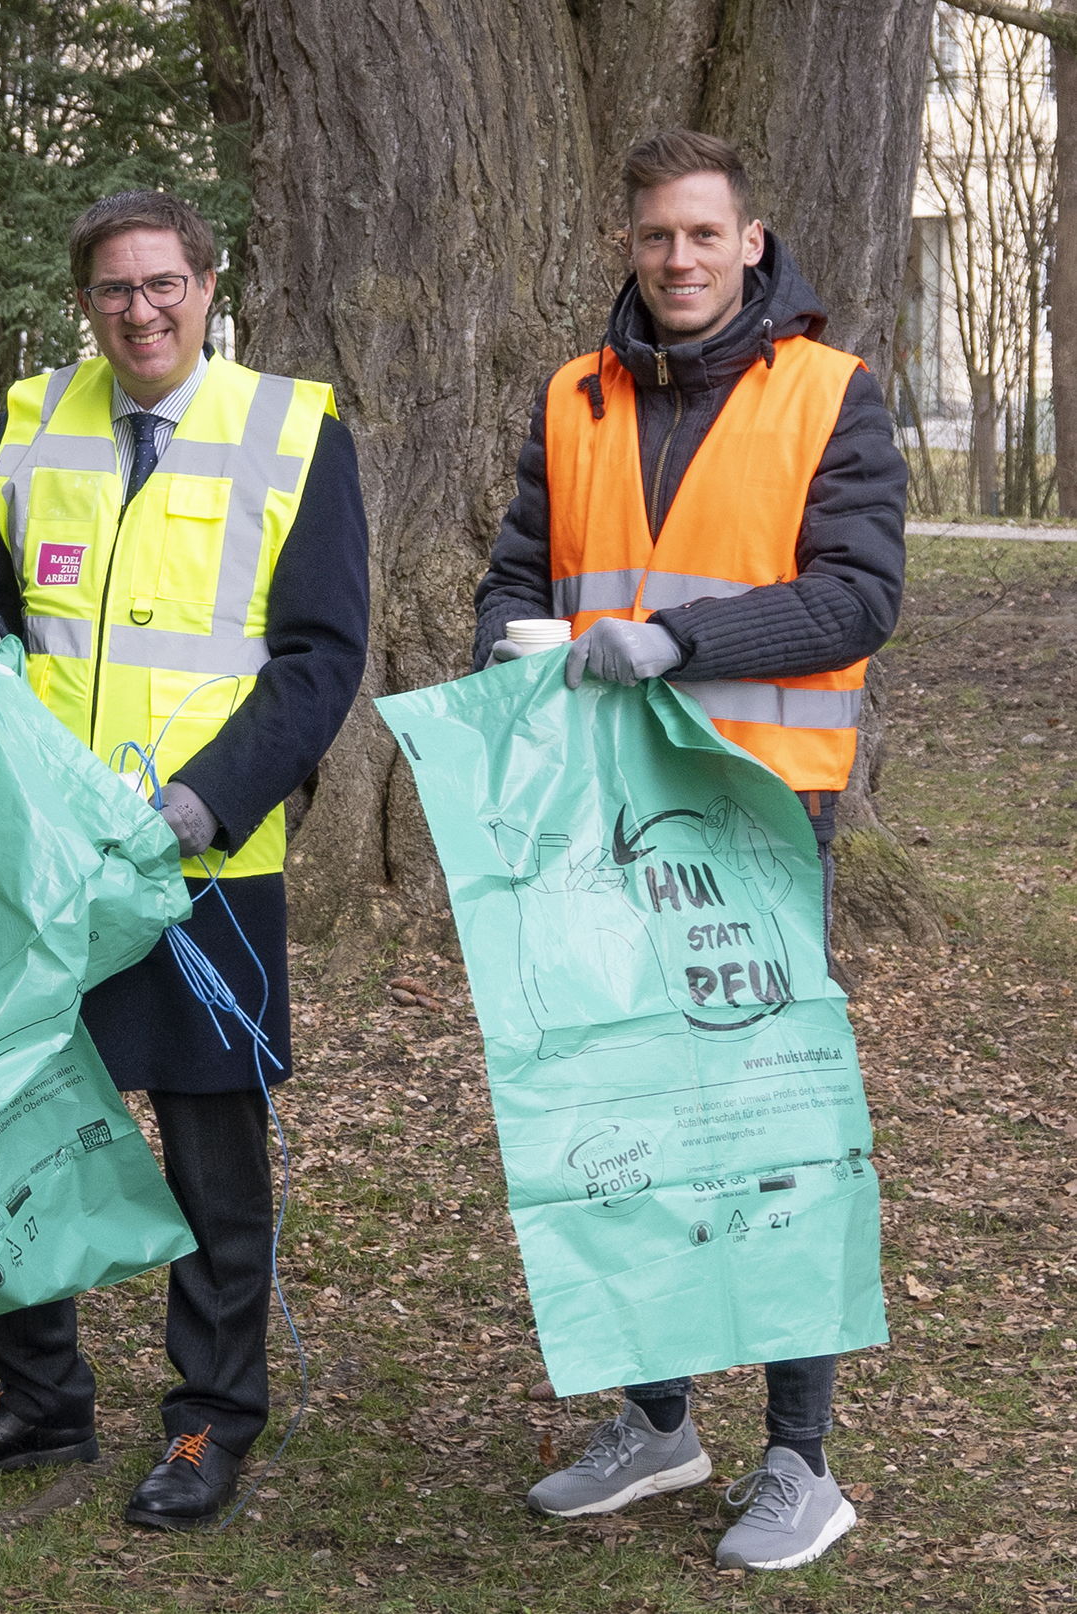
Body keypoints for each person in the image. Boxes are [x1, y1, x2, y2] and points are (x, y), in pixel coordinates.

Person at [472, 130, 905, 1572]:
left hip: (761, 814)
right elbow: (522, 570)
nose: (676, 261)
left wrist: (682, 640)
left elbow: (856, 595)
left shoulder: (828, 396)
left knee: (770, 1130)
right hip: (608, 814)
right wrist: (509, 647)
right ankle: (658, 1419)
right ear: (628, 245)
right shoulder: (571, 397)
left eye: (701, 237)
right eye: (654, 237)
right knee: (632, 1111)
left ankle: (802, 1458)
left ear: (751, 242)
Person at [0, 191, 370, 1529]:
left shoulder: (293, 431)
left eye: (163, 284)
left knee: (209, 1153)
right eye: (113, 291)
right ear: (84, 304)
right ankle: (38, 1395)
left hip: (198, 866)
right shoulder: (32, 419)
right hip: (39, 857)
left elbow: (319, 658)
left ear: (209, 285)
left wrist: (201, 803)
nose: (140, 311)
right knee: (3, 1113)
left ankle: (209, 1420)